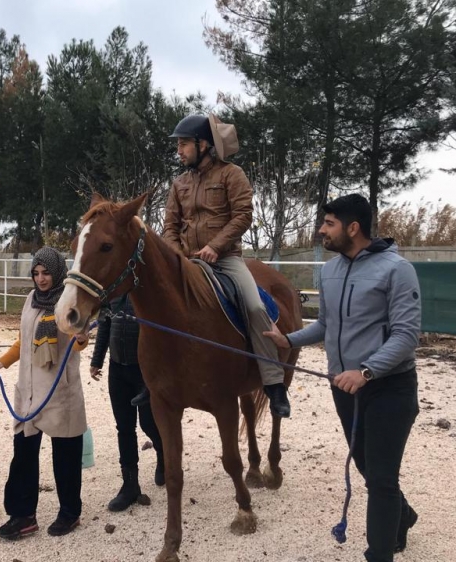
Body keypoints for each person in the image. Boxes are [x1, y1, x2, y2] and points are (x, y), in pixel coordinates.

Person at [264, 193, 421, 562]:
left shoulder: (397, 270)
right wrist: (287, 339)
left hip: (389, 388)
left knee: (381, 478)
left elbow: (406, 335)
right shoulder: (330, 271)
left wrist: (366, 371)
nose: (321, 230)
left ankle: (377, 554)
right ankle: (405, 516)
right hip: (344, 387)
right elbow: (326, 324)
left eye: (329, 223)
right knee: (367, 465)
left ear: (354, 228)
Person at [163, 114, 291, 417]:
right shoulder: (179, 183)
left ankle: (273, 383)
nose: (179, 150)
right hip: (187, 261)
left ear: (203, 144)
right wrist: (176, 255)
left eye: (183, 144)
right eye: (178, 145)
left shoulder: (232, 175)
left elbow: (243, 215)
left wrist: (214, 247)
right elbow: (170, 225)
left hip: (226, 260)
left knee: (255, 306)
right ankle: (156, 379)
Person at [0, 247, 89, 540]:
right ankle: (22, 516)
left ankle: (70, 513)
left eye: (46, 273)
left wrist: (81, 337)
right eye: (36, 273)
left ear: (58, 273)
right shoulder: (31, 299)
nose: (41, 279)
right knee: (23, 455)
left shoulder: (68, 300)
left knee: (65, 457)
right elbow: (23, 342)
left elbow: (79, 341)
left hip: (59, 391)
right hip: (28, 393)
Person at [90, 294, 165, 512]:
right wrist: (97, 360)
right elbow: (104, 324)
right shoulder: (111, 291)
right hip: (117, 367)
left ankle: (163, 453)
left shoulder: (146, 289)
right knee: (124, 427)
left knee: (149, 423)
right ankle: (130, 484)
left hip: (144, 368)